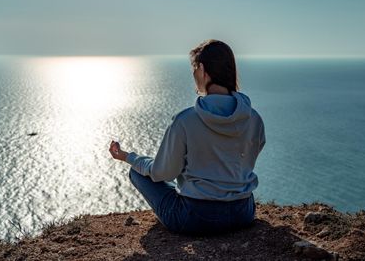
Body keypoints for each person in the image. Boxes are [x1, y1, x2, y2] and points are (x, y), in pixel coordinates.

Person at [108, 39, 266, 235]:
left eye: (194, 69)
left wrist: (128, 157)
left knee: (137, 172)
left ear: (201, 69)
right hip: (244, 213)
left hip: (197, 218)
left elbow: (162, 173)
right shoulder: (254, 119)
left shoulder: (185, 120)